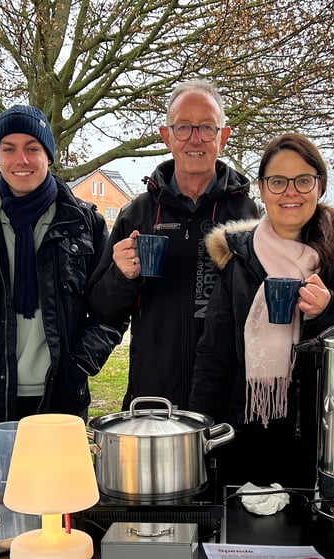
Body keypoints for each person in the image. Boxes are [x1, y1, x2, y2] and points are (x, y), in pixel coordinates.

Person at [188, 133, 334, 489]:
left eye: (303, 180)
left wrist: (330, 312)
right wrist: (201, 442)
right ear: (263, 190)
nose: (290, 192)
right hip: (252, 443)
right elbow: (214, 356)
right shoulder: (241, 258)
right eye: (277, 182)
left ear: (320, 186)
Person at [0, 104, 123, 474]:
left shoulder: (85, 225)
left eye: (32, 147)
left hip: (60, 397)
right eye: (9, 148)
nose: (21, 159)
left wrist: (79, 364)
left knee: (59, 514)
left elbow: (111, 310)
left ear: (48, 154)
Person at [87, 80, 259, 410]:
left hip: (225, 396)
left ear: (223, 137)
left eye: (207, 127)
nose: (195, 139)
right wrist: (122, 276)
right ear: (167, 136)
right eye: (183, 127)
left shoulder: (248, 215)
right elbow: (101, 309)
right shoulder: (136, 214)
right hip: (152, 395)